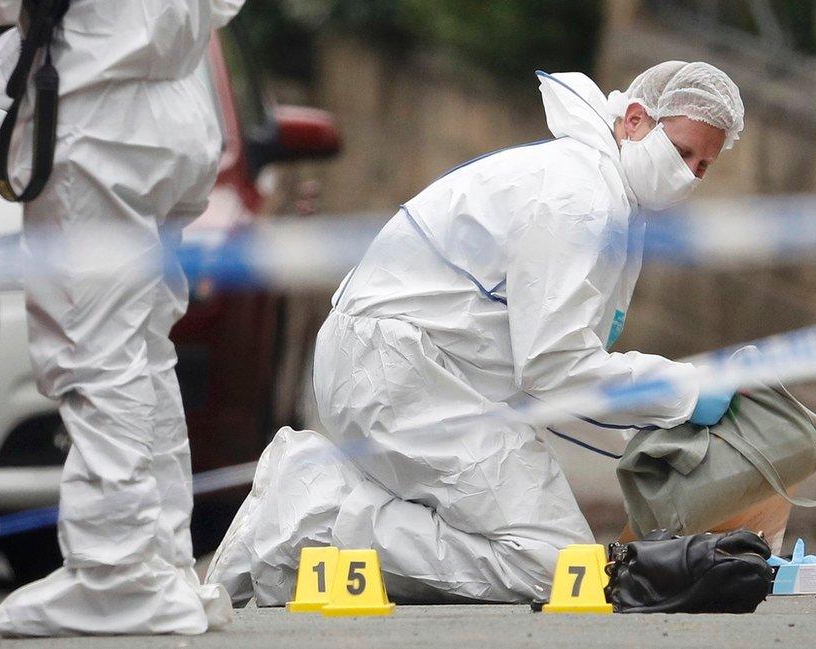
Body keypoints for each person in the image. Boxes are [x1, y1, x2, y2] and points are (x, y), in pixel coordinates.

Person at [205, 61, 745, 605]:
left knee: (547, 556)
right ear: (634, 120)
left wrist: (659, 413)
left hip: (416, 372)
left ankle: (325, 516)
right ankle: (307, 518)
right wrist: (684, 391)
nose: (688, 175)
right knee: (551, 567)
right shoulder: (577, 197)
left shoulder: (597, 186)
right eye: (681, 153)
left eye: (703, 166)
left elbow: (552, 364)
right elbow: (554, 366)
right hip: (400, 372)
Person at [0, 0, 244, 635]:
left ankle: (118, 574)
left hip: (103, 117)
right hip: (172, 106)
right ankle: (160, 565)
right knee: (140, 350)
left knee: (94, 352)